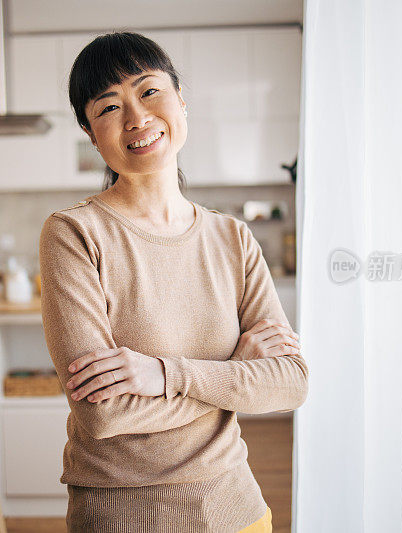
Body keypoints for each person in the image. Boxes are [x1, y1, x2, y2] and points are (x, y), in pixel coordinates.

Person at [38, 31, 308, 533]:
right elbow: (104, 413)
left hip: (238, 507)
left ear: (181, 99)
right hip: (124, 515)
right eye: (108, 107)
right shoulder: (74, 233)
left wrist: (165, 375)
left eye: (149, 91)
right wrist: (234, 373)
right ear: (89, 132)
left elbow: (290, 383)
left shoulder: (232, 237)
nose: (137, 118)